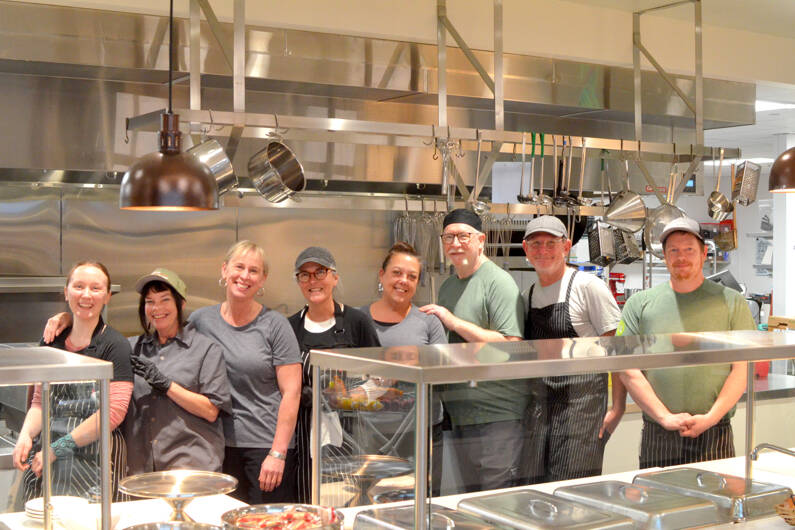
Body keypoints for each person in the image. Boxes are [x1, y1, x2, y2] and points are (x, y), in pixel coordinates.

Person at [42, 268, 233, 474]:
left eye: (165, 300)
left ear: (181, 303)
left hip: (192, 465)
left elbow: (211, 411)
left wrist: (167, 385)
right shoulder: (130, 347)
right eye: (150, 301)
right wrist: (68, 318)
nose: (157, 308)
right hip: (140, 468)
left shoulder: (205, 349)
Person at [617, 216, 755, 468]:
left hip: (715, 429)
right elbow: (627, 368)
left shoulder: (732, 302)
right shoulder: (639, 304)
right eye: (674, 250)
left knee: (716, 504)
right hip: (658, 430)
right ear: (665, 256)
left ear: (703, 253)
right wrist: (664, 417)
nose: (681, 257)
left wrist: (711, 417)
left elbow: (742, 368)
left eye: (689, 250)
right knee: (660, 503)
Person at [419, 208, 525, 493]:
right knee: (469, 504)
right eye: (448, 237)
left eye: (463, 236)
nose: (455, 243)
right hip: (461, 412)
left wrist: (453, 321)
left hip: (497, 415)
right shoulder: (449, 287)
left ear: (481, 240)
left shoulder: (498, 282)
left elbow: (511, 346)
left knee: (495, 502)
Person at [189, 241, 302, 504]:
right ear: (225, 270)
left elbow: (292, 392)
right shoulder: (200, 321)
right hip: (216, 447)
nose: (245, 276)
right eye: (239, 267)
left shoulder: (276, 325)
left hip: (265, 448)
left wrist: (277, 453)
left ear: (263, 280)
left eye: (254, 271)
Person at [520, 216, 625, 484]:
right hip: (540, 407)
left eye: (551, 243)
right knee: (534, 485)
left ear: (566, 247)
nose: (543, 250)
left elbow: (618, 351)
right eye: (536, 244)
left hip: (582, 406)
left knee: (571, 489)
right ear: (526, 249)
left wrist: (618, 407)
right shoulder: (527, 295)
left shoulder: (588, 286)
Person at [16, 261, 133, 501]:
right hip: (46, 456)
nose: (86, 295)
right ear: (66, 292)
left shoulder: (115, 345)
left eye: (96, 288)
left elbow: (113, 414)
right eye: (78, 286)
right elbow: (40, 401)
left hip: (95, 459)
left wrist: (57, 449)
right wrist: (26, 434)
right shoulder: (51, 341)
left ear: (108, 296)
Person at [287, 246, 381, 503]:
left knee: (348, 500)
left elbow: (384, 376)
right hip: (303, 433)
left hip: (352, 430)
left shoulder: (356, 322)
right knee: (309, 499)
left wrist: (359, 393)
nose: (312, 281)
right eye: (304, 275)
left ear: (334, 277)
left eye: (320, 272)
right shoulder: (290, 327)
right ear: (298, 282)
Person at [361, 242, 447, 495]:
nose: (403, 281)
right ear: (381, 275)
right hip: (370, 434)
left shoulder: (428, 322)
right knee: (372, 506)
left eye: (412, 276)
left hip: (420, 432)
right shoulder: (357, 319)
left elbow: (441, 374)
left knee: (421, 504)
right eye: (397, 273)